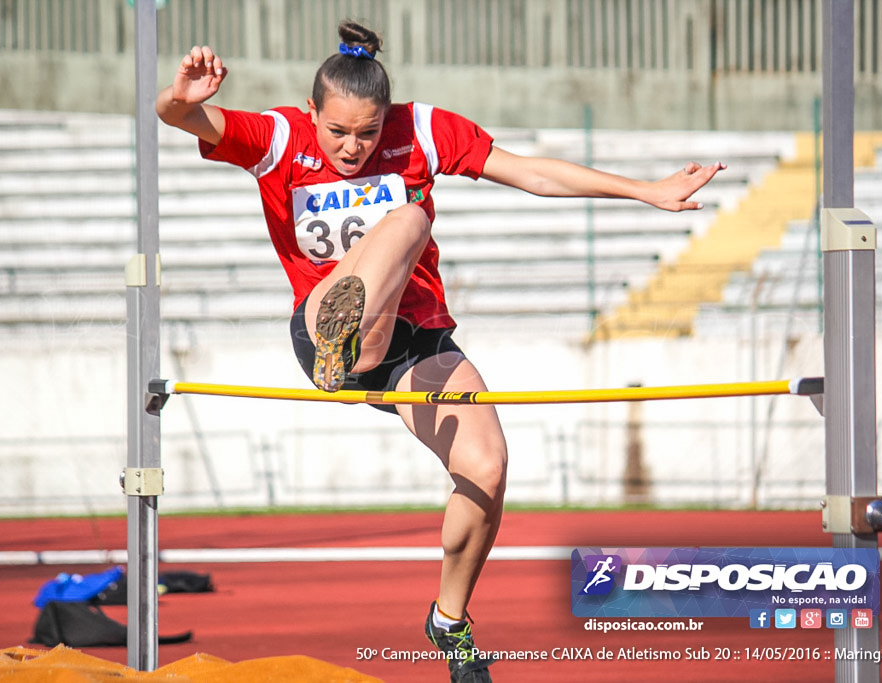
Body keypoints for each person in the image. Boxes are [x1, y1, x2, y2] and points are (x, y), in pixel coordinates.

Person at [156, 20, 724, 683]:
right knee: (409, 217)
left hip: (415, 343)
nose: (353, 147)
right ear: (312, 112)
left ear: (386, 117)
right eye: (337, 132)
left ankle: (449, 620)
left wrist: (646, 191)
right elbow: (179, 116)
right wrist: (183, 97)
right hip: (323, 327)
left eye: (367, 133)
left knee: (486, 465)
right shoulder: (279, 138)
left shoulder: (422, 130)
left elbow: (531, 173)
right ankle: (348, 335)